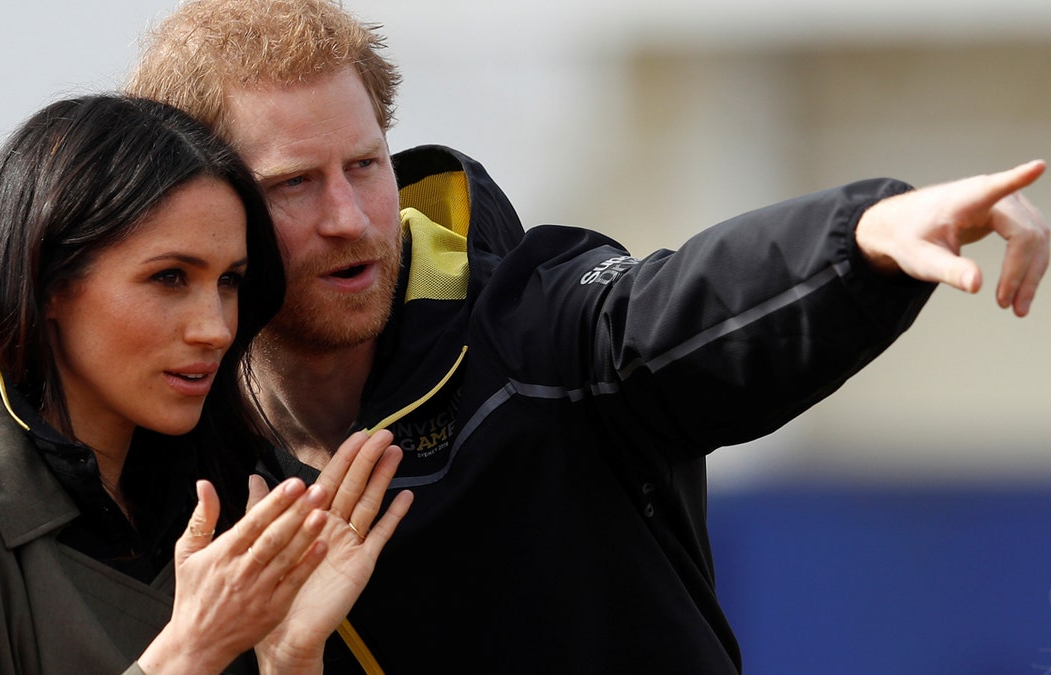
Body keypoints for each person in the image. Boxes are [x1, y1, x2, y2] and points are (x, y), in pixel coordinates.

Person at [126, 1, 1049, 672]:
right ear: (204, 210)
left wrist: (862, 235)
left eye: (365, 165)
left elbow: (666, 307)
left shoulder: (533, 331)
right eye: (294, 183)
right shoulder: (169, 454)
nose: (349, 216)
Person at [0, 93, 411, 674]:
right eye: (170, 277)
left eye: (229, 281)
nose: (215, 328)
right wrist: (190, 651)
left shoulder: (238, 505)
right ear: (51, 284)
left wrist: (290, 657)